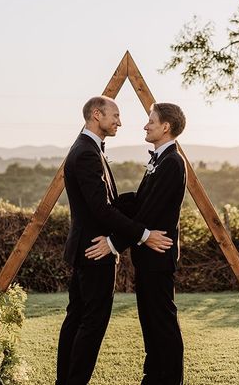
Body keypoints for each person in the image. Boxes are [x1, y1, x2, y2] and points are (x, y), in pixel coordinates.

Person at [56, 96, 173, 385]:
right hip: (95, 250)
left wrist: (136, 202)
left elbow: (109, 203)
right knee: (91, 323)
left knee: (77, 318)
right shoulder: (86, 153)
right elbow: (101, 209)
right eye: (115, 115)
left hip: (87, 247)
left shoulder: (87, 149)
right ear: (97, 115)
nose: (120, 121)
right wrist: (143, 235)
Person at [85, 102, 188, 385]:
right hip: (148, 257)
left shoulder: (173, 163)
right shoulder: (160, 160)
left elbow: (149, 212)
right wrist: (107, 204)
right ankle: (153, 376)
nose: (145, 125)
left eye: (151, 121)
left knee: (162, 322)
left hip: (159, 255)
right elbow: (140, 202)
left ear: (165, 127)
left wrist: (113, 242)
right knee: (151, 322)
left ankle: (167, 380)